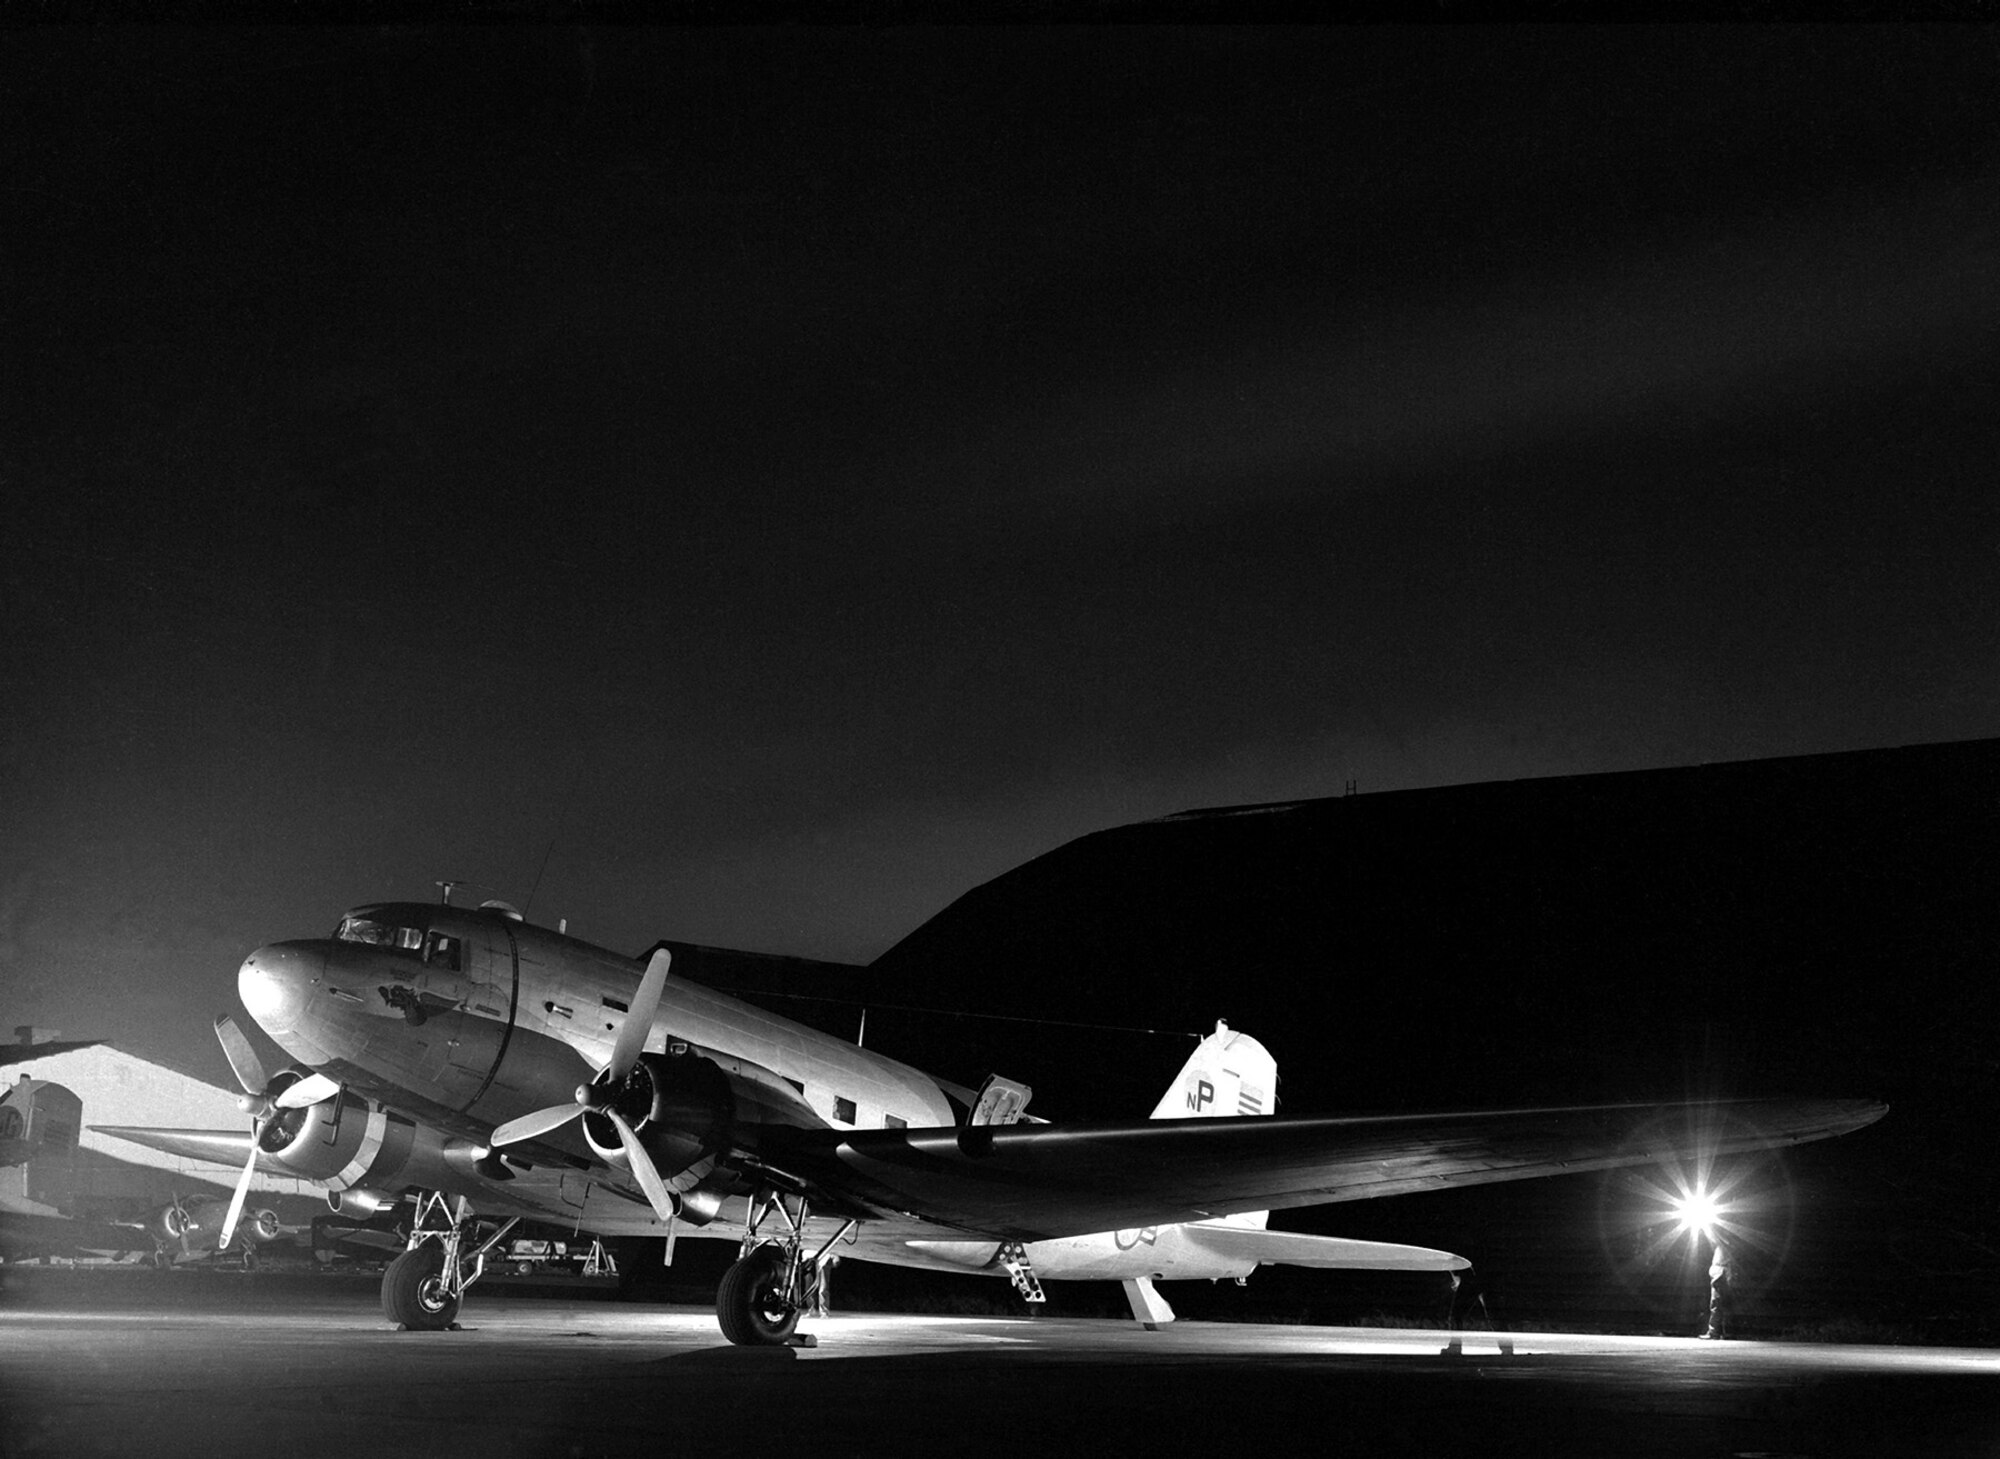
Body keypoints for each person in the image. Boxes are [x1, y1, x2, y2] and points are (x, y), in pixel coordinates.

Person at [1442, 1265, 1514, 1357]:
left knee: (1457, 1313)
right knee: (1493, 1314)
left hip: (1472, 1277)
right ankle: (1507, 1348)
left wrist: (1457, 1278)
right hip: (1486, 1275)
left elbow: (1455, 1261)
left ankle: (1455, 1346)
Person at [1701, 1236, 1733, 1339]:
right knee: (1718, 1303)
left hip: (1720, 1270)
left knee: (1717, 1302)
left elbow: (1722, 1239)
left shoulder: (1726, 1242)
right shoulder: (1720, 1245)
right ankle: (1720, 1332)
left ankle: (1715, 1332)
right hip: (1719, 1269)